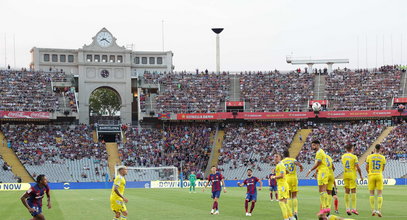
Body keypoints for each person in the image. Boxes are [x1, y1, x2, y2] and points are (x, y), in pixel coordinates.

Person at [306, 140, 330, 215]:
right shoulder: (320, 152)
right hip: (322, 171)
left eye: (313, 145)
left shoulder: (319, 152)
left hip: (323, 172)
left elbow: (318, 163)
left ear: (317, 145)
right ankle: (326, 207)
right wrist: (316, 172)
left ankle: (325, 207)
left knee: (322, 189)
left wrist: (310, 170)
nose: (312, 146)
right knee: (322, 190)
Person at [271, 153, 295, 220]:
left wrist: (274, 177)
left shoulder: (280, 165)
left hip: (282, 186)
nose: (275, 158)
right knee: (285, 202)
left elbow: (281, 175)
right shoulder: (281, 165)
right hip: (283, 184)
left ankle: (286, 218)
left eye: (277, 157)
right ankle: (291, 217)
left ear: (280, 158)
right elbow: (287, 172)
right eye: (274, 156)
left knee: (281, 202)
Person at [341, 145, 363, 215]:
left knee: (347, 191)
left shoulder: (343, 156)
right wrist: (361, 176)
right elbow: (358, 167)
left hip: (345, 174)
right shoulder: (354, 157)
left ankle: (347, 208)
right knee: (353, 191)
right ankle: (354, 209)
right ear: (351, 149)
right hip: (352, 175)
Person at [282, 149, 303, 219]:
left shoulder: (282, 162)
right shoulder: (292, 159)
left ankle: (290, 213)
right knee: (294, 196)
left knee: (288, 196)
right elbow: (298, 164)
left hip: (287, 179)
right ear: (289, 154)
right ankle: (296, 212)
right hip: (294, 178)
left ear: (283, 155)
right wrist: (301, 167)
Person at [366, 144, 386, 217]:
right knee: (380, 193)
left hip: (371, 175)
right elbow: (383, 169)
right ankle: (379, 210)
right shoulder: (382, 157)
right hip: (379, 175)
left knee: (371, 193)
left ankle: (373, 210)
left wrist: (370, 173)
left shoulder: (369, 157)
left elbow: (366, 167)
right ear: (380, 149)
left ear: (374, 149)